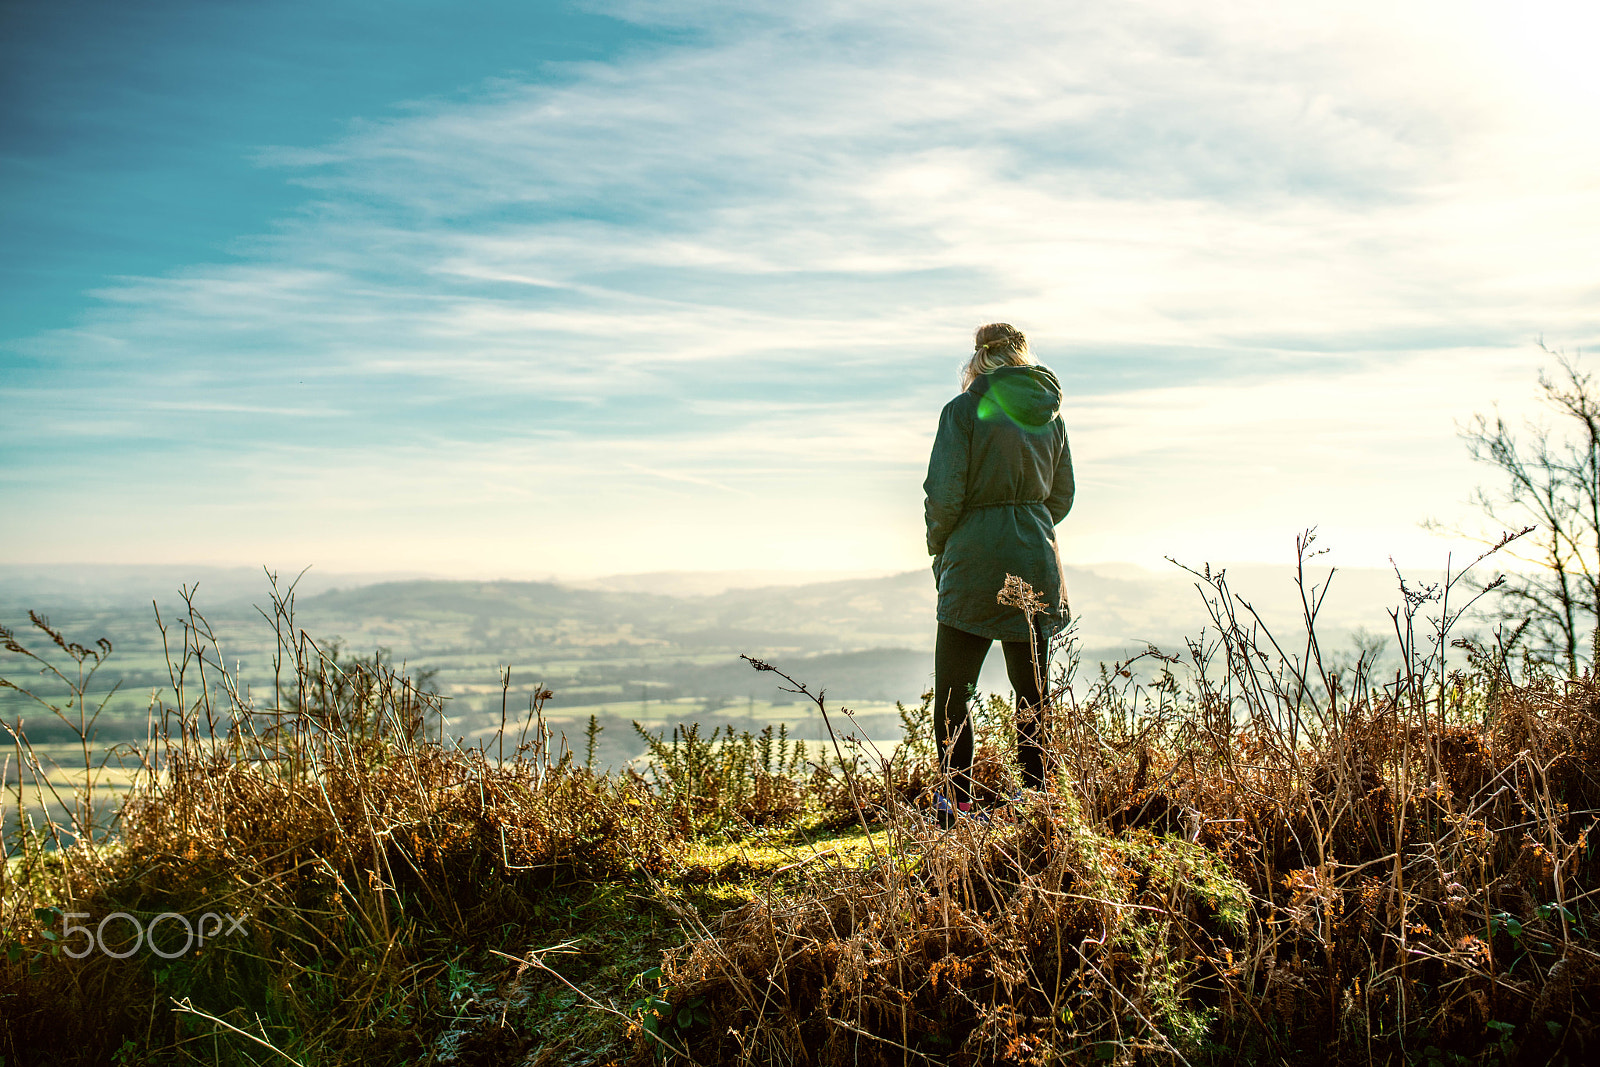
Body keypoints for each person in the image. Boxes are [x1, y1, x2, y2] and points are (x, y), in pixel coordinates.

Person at [923, 323, 1074, 821]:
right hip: (1036, 557)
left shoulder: (962, 411)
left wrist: (940, 549)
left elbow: (944, 495)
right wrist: (1029, 523)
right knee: (1032, 690)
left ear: (979, 358)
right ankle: (1037, 801)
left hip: (974, 562)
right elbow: (1062, 495)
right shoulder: (1050, 417)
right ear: (1021, 355)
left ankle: (956, 805)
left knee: (955, 691)